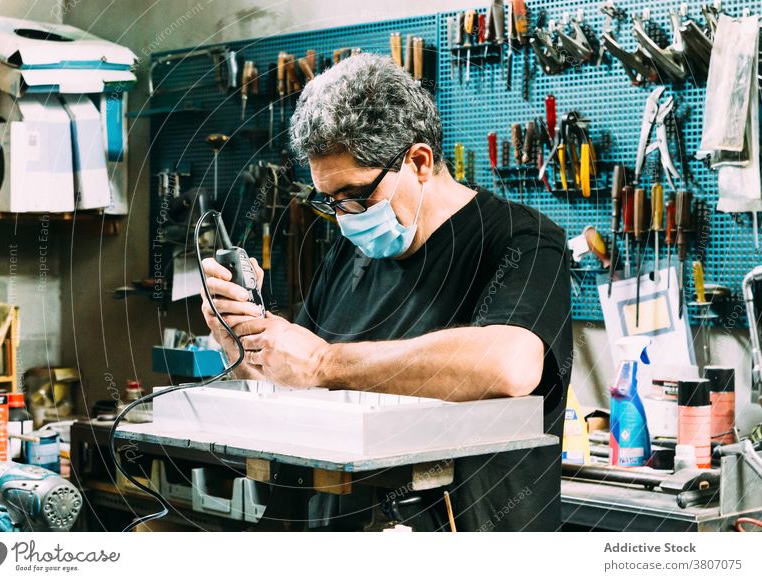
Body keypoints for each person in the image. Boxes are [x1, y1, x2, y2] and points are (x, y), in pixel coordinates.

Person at [201, 53, 572, 531]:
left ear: (418, 161)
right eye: (329, 201)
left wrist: (324, 363)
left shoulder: (523, 241)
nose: (346, 217)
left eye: (356, 195)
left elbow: (509, 365)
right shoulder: (349, 253)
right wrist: (244, 347)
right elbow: (299, 381)